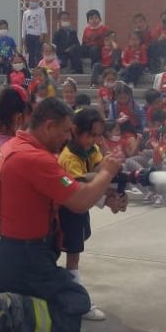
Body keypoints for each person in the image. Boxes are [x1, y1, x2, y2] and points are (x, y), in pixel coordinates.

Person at [0, 99, 125, 332]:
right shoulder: (36, 159)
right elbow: (79, 201)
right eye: (64, 131)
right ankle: (8, 312)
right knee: (74, 305)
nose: (68, 138)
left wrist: (104, 196)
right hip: (22, 259)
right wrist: (107, 173)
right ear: (48, 126)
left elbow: (61, 191)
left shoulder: (11, 147)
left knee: (40, 291)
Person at [57, 108, 112, 321]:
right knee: (73, 254)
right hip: (67, 211)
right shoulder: (68, 157)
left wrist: (111, 183)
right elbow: (80, 187)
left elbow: (99, 170)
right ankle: (78, 301)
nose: (95, 140)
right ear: (75, 130)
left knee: (76, 247)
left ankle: (70, 291)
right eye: (91, 135)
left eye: (98, 135)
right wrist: (106, 195)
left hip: (79, 208)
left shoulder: (91, 149)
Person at [21, 0, 47, 69]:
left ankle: (39, 67)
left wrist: (43, 33)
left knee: (38, 52)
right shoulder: (26, 13)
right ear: (28, 0)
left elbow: (43, 22)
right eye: (32, 0)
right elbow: (24, 25)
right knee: (31, 52)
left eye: (36, 0)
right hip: (29, 35)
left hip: (38, 35)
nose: (34, 1)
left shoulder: (41, 10)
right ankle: (31, 67)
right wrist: (23, 36)